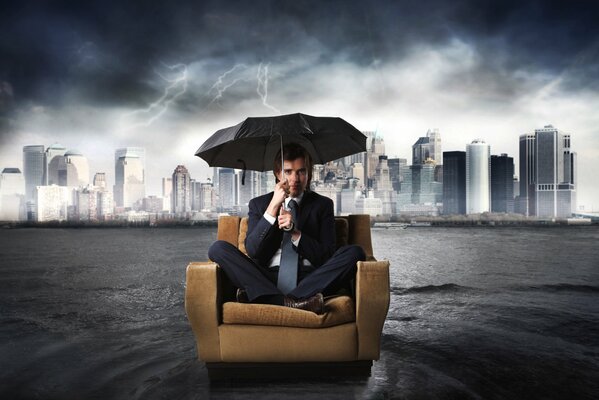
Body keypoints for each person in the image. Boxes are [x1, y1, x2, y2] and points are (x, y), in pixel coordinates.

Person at [208, 143, 365, 314]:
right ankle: (294, 302)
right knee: (218, 249)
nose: (295, 179)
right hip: (266, 277)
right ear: (277, 174)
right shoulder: (259, 204)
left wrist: (295, 233)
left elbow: (326, 256)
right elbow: (254, 252)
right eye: (288, 172)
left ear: (309, 174)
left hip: (310, 278)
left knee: (355, 252)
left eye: (301, 172)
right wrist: (273, 208)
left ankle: (266, 298)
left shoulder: (323, 205)